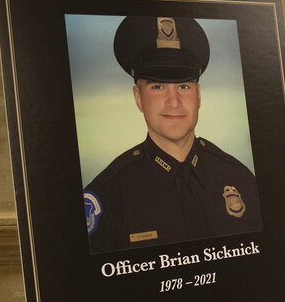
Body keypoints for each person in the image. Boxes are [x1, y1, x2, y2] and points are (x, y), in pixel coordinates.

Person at [84, 15, 262, 253]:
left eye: (183, 86)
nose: (174, 102)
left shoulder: (242, 179)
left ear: (198, 95)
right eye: (157, 87)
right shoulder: (107, 195)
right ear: (138, 98)